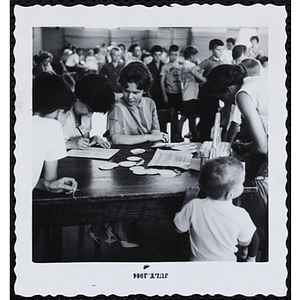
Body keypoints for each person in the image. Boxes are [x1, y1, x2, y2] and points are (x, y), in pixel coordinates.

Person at [201, 63, 268, 261]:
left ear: (229, 89)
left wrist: (239, 146)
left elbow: (263, 147)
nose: (224, 103)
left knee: (264, 218)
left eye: (222, 98)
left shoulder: (242, 95)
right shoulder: (256, 81)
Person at [174, 157, 259, 262]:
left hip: (198, 264)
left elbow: (179, 228)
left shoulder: (193, 205)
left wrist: (188, 200)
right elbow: (245, 242)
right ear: (230, 195)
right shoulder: (241, 214)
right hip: (227, 264)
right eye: (241, 183)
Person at [33, 72, 77, 193]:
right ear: (60, 112)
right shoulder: (52, 127)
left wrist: (46, 185)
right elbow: (50, 177)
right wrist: (50, 182)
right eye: (67, 115)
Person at [107, 61, 169, 145]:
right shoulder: (117, 107)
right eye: (126, 91)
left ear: (145, 90)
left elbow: (155, 132)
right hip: (123, 153)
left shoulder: (150, 103)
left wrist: (160, 139)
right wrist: (148, 137)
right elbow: (116, 139)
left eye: (135, 93)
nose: (130, 97)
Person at [63, 74, 115, 150]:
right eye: (89, 110)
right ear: (78, 99)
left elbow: (82, 140)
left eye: (93, 112)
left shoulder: (86, 113)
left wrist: (93, 139)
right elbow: (44, 145)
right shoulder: (60, 112)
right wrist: (70, 144)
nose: (90, 115)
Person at [192, 39, 224, 142]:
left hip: (215, 95)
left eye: (221, 50)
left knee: (212, 118)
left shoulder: (221, 62)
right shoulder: (208, 62)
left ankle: (206, 138)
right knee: (205, 118)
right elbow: (193, 70)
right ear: (212, 50)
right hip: (206, 95)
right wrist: (205, 80)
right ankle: (202, 139)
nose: (220, 52)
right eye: (218, 50)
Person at [160, 44, 183, 141]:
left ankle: (176, 135)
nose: (174, 57)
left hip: (179, 94)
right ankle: (164, 136)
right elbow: (161, 81)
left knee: (177, 117)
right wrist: (164, 94)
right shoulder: (165, 66)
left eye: (176, 55)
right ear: (169, 54)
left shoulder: (181, 66)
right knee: (167, 116)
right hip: (169, 93)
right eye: (172, 54)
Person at [177, 45, 200, 142]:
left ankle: (193, 134)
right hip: (191, 94)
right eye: (195, 56)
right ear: (191, 56)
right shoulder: (192, 66)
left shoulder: (183, 66)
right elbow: (199, 79)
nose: (196, 58)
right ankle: (178, 134)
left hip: (186, 94)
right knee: (185, 117)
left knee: (191, 116)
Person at [147, 45, 166, 113]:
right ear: (152, 55)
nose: (157, 57)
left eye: (159, 55)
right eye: (156, 55)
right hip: (153, 93)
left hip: (163, 93)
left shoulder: (164, 66)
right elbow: (147, 81)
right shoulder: (148, 67)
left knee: (163, 113)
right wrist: (148, 93)